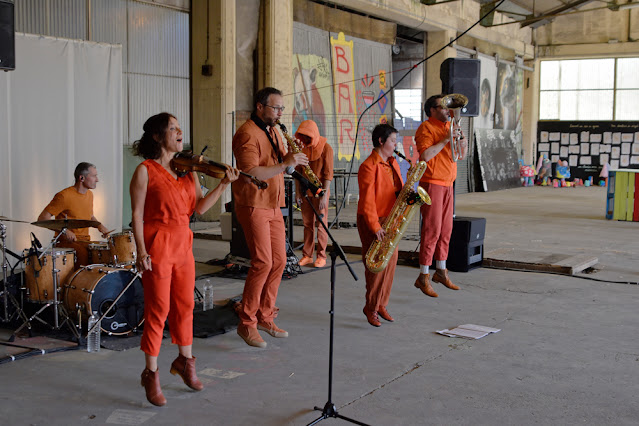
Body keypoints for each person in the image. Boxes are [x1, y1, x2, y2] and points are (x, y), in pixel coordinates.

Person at [130, 112, 239, 406]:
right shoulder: (145, 170)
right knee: (158, 310)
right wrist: (141, 251)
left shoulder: (189, 171)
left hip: (183, 243)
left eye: (180, 129)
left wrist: (223, 185)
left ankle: (185, 362)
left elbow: (200, 208)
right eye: (173, 129)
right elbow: (137, 216)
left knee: (185, 306)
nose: (180, 133)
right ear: (157, 136)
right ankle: (150, 375)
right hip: (157, 243)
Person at [232, 87, 308, 348]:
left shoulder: (275, 131)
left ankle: (265, 315)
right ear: (260, 107)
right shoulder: (246, 133)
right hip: (254, 204)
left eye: (281, 109)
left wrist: (292, 163)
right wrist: (285, 162)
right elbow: (251, 171)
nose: (279, 113)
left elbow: (279, 166)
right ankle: (247, 322)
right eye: (275, 108)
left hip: (275, 204)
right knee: (262, 262)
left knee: (279, 261)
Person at [414, 94, 468, 297]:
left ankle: (441, 271)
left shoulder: (449, 127)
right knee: (432, 230)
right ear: (432, 110)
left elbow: (460, 156)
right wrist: (446, 139)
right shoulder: (425, 128)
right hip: (433, 183)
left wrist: (461, 139)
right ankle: (423, 276)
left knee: (446, 230)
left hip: (448, 184)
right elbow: (425, 155)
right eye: (444, 107)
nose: (448, 111)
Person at [357, 124, 403, 327]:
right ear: (381, 142)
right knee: (376, 267)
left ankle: (381, 303)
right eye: (393, 141)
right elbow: (367, 202)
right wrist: (375, 227)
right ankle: (371, 307)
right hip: (373, 221)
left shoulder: (392, 163)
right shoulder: (368, 166)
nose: (396, 144)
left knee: (391, 263)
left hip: (391, 219)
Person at [38, 162, 111, 268]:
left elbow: (89, 216)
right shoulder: (63, 196)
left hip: (85, 241)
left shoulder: (90, 195)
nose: (97, 179)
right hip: (65, 242)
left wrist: (99, 225)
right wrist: (65, 230)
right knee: (83, 254)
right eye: (94, 176)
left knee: (105, 252)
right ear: (82, 178)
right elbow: (42, 219)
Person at [294, 120, 333, 268]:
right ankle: (307, 255)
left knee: (321, 225)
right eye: (302, 136)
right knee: (307, 224)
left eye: (307, 136)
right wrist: (298, 193)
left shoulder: (326, 148)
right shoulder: (301, 149)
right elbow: (297, 172)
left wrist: (324, 195)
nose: (304, 139)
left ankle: (321, 256)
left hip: (320, 192)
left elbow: (328, 174)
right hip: (305, 193)